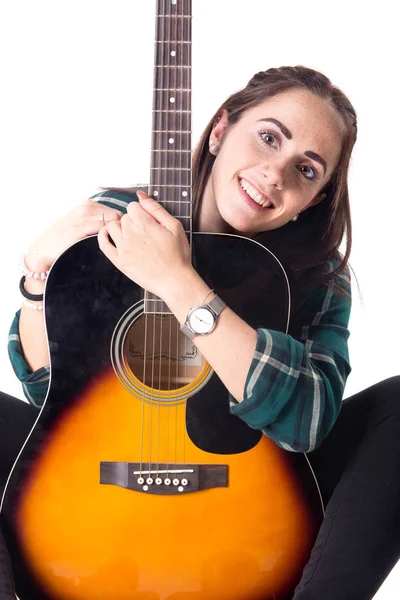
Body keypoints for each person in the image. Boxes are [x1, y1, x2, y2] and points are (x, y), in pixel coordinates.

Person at [1, 65, 399, 600]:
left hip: (254, 505)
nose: (274, 173)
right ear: (219, 131)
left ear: (314, 199)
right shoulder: (122, 224)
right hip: (100, 477)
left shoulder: (318, 277)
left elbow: (305, 422)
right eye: (268, 136)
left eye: (306, 170)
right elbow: (52, 400)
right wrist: (37, 274)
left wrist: (177, 280)